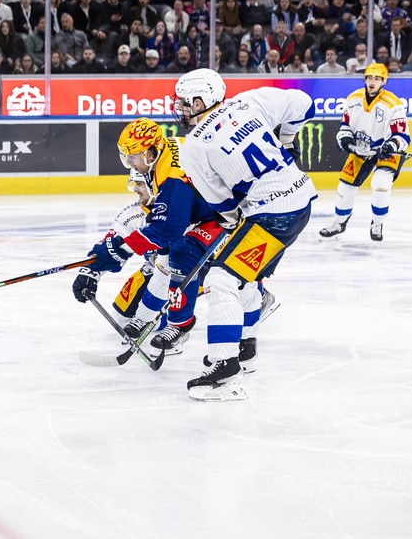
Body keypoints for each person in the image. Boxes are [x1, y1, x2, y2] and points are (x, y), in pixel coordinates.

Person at [173, 68, 317, 401]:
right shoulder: (250, 101)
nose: (179, 109)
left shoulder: (193, 146)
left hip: (273, 216)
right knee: (245, 278)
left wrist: (233, 218)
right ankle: (246, 347)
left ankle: (226, 370)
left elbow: (222, 203)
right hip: (301, 199)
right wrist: (287, 141)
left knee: (223, 280)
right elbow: (305, 105)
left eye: (183, 102)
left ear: (199, 100)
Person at [72, 119, 225, 356]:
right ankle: (149, 316)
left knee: (181, 259)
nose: (135, 187)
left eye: (133, 157)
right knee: (127, 308)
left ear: (150, 153)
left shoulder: (172, 182)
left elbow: (167, 229)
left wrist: (124, 247)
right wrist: (91, 269)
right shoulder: (159, 166)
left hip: (216, 218)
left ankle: (178, 324)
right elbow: (113, 240)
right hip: (194, 223)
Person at [319, 63, 409, 242]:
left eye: (377, 78)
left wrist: (391, 145)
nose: (372, 82)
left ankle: (377, 222)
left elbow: (402, 136)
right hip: (361, 149)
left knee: (381, 183)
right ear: (365, 79)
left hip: (386, 150)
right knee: (345, 187)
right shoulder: (353, 99)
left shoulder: (394, 104)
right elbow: (345, 125)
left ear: (384, 81)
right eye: (369, 78)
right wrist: (344, 138)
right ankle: (339, 223)